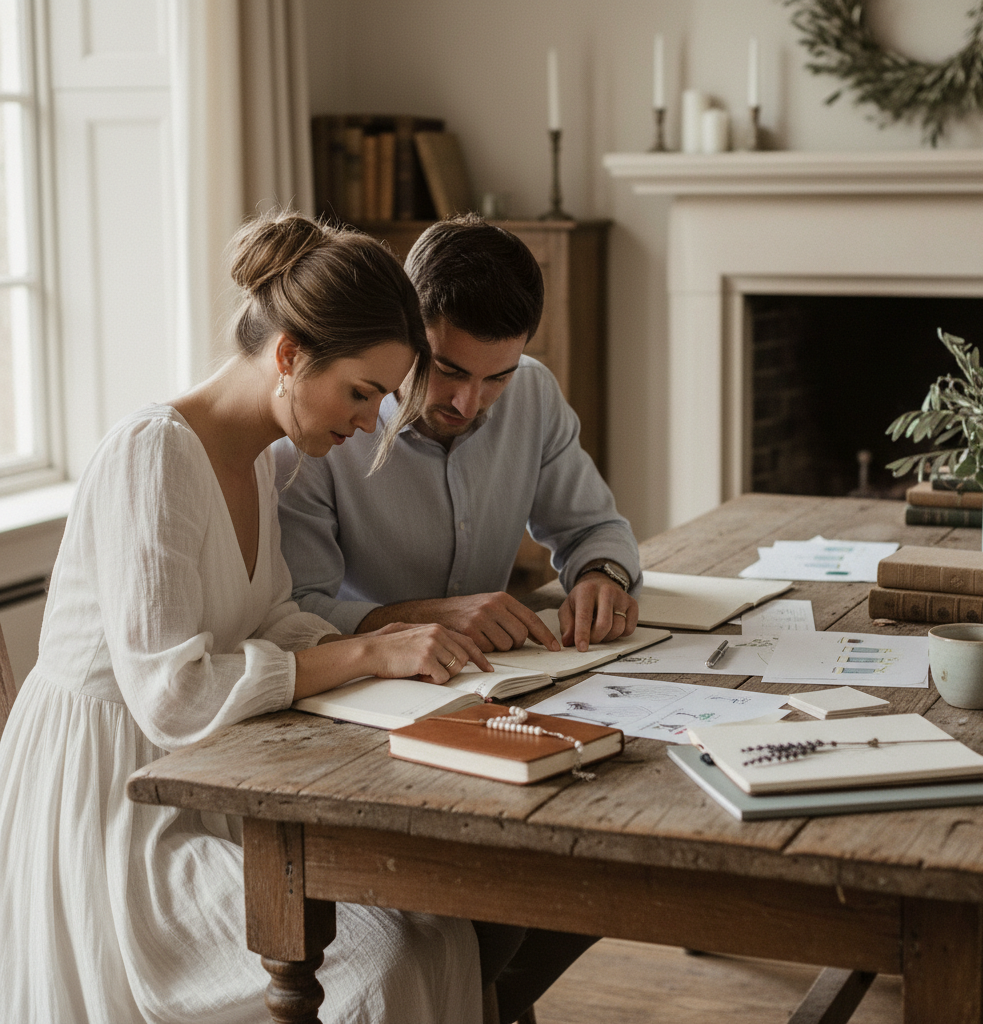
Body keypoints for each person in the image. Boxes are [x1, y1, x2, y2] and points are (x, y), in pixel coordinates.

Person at [0, 213, 498, 1023]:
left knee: (441, 926)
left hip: (202, 777)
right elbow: (174, 693)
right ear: (292, 356)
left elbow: (267, 617)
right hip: (113, 812)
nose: (371, 422)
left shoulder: (257, 458)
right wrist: (367, 657)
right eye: (361, 392)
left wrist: (387, 647)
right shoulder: (152, 453)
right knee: (379, 957)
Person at [275, 214, 642, 655]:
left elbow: (594, 527)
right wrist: (431, 617)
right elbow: (298, 611)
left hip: (495, 678)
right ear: (405, 327)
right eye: (450, 371)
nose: (468, 404)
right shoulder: (321, 429)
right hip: (363, 682)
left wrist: (602, 576)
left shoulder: (533, 390)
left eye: (498, 377)